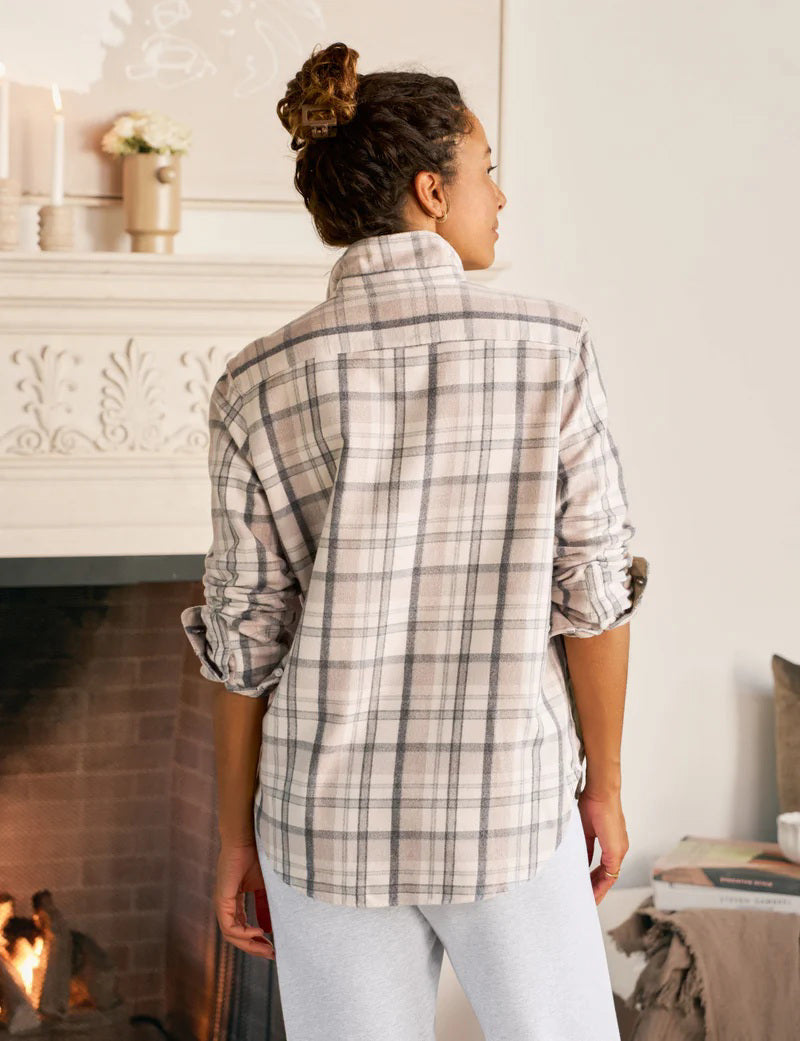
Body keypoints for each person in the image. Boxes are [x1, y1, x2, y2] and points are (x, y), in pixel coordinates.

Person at [181, 40, 649, 1041]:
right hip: (506, 811)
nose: (499, 199)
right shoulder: (548, 349)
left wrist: (233, 839)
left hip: (321, 827)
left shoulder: (254, 383)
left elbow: (244, 643)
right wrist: (602, 787)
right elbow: (593, 594)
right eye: (486, 173)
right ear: (432, 192)